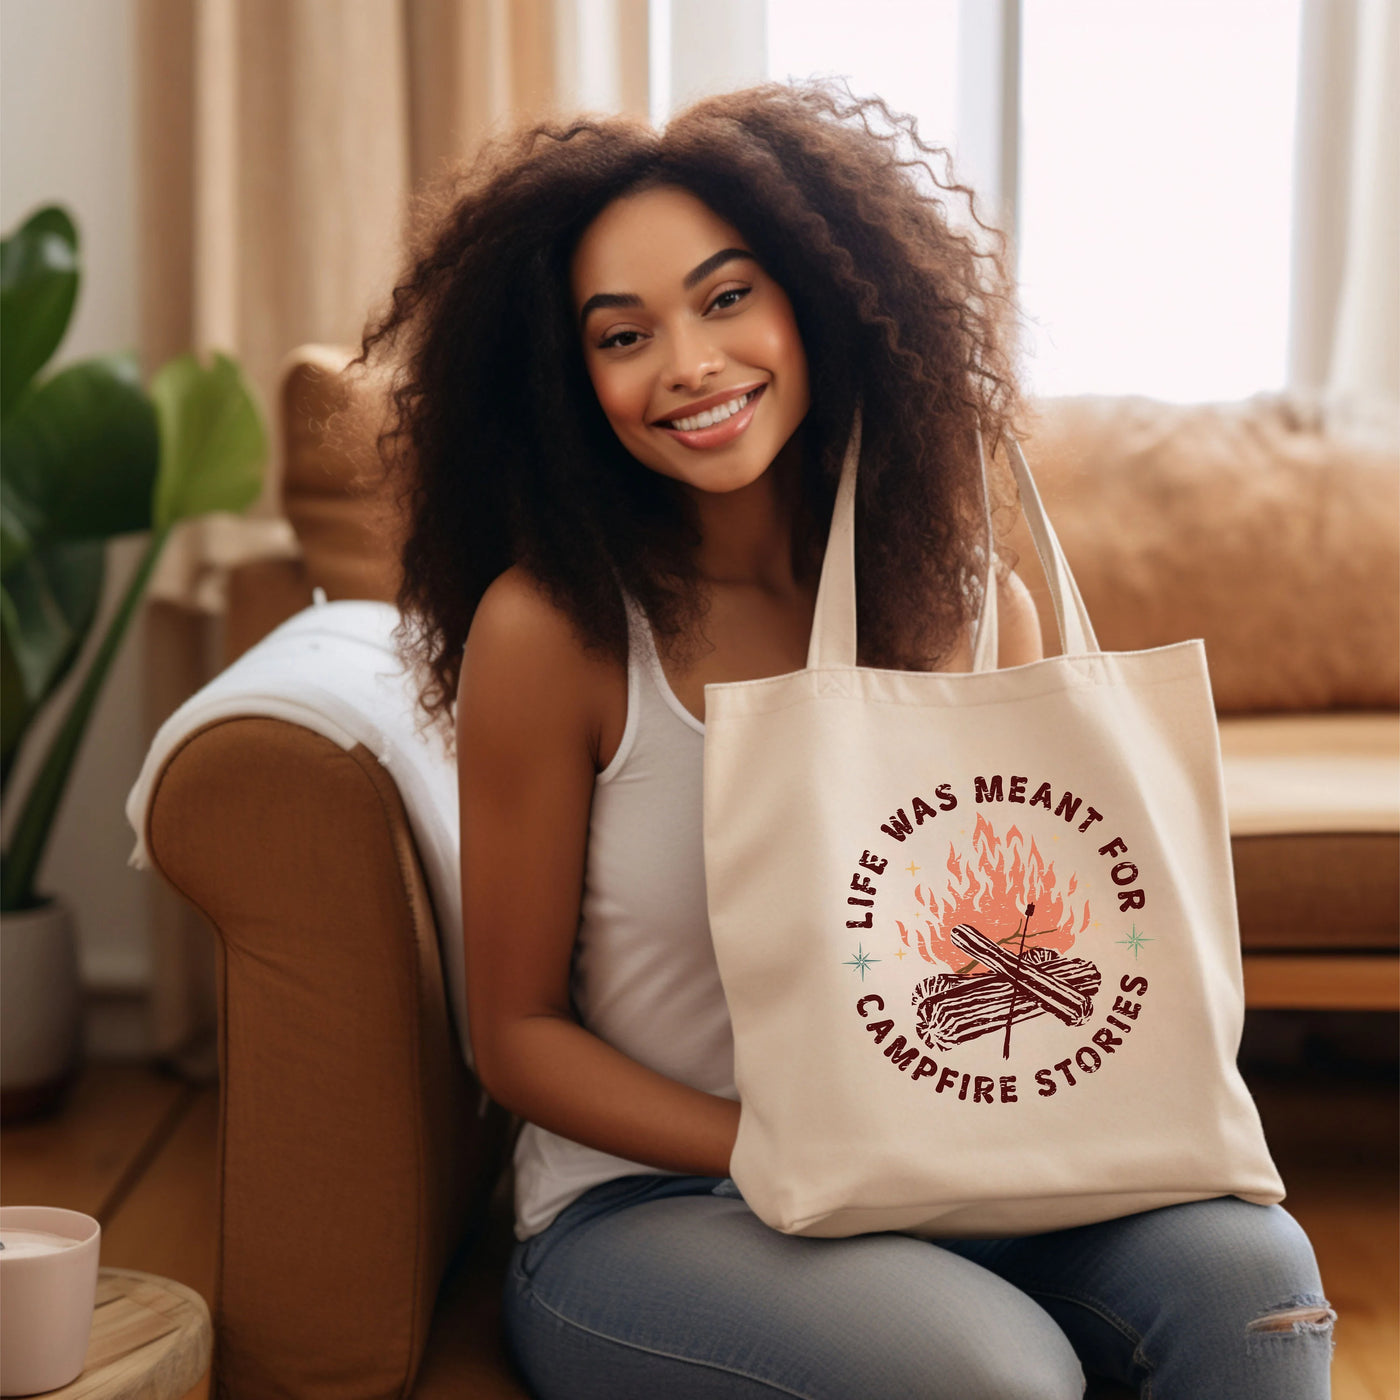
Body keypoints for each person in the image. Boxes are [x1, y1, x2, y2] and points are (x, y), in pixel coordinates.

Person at [349, 80, 1335, 1400]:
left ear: (821, 296)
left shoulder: (978, 602)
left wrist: (949, 1130)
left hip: (980, 1165)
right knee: (995, 1379)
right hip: (663, 1206)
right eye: (622, 334)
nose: (689, 362)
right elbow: (516, 1036)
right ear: (569, 380)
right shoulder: (557, 632)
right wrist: (791, 1140)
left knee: (1253, 1286)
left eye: (726, 297)